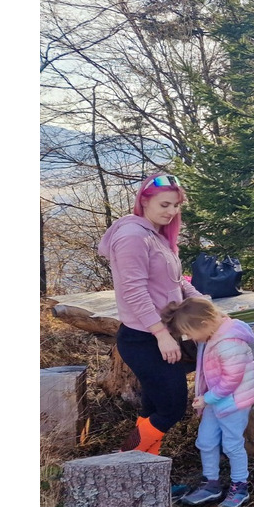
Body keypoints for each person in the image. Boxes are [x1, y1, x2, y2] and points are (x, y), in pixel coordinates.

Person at [97, 173, 203, 456]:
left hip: (158, 334)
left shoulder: (154, 234)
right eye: (165, 204)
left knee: (154, 406)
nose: (171, 212)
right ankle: (125, 460)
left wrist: (203, 304)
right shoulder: (132, 237)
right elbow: (133, 291)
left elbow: (176, 281)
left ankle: (144, 473)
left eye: (176, 206)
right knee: (171, 407)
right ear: (144, 201)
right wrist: (161, 335)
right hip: (144, 339)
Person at [161, 297, 254, 507]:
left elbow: (232, 379)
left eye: (190, 334)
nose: (189, 338)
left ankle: (240, 486)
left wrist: (208, 398)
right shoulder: (212, 335)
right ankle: (211, 483)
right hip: (216, 399)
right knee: (205, 440)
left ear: (204, 325)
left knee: (232, 444)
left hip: (233, 401)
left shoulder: (229, 341)